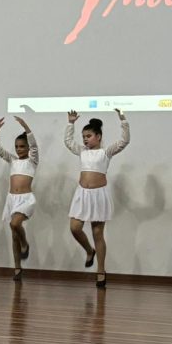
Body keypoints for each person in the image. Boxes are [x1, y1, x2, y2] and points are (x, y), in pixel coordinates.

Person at [65, 109, 129, 287]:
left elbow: (124, 141)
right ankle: (89, 250)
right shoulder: (82, 151)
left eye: (89, 136)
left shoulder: (106, 152)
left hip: (99, 195)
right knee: (74, 228)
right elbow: (68, 142)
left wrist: (123, 120)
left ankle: (101, 270)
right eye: (83, 136)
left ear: (98, 136)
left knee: (97, 233)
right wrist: (71, 123)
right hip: (82, 194)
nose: (85, 139)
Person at [0, 116, 38, 281]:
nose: (19, 149)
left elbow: (34, 145)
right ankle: (17, 268)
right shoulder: (12, 160)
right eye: (17, 147)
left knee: (15, 224)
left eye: (22, 146)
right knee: (13, 234)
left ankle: (25, 244)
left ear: (28, 148)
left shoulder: (32, 161)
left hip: (25, 199)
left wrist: (26, 126)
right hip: (12, 199)